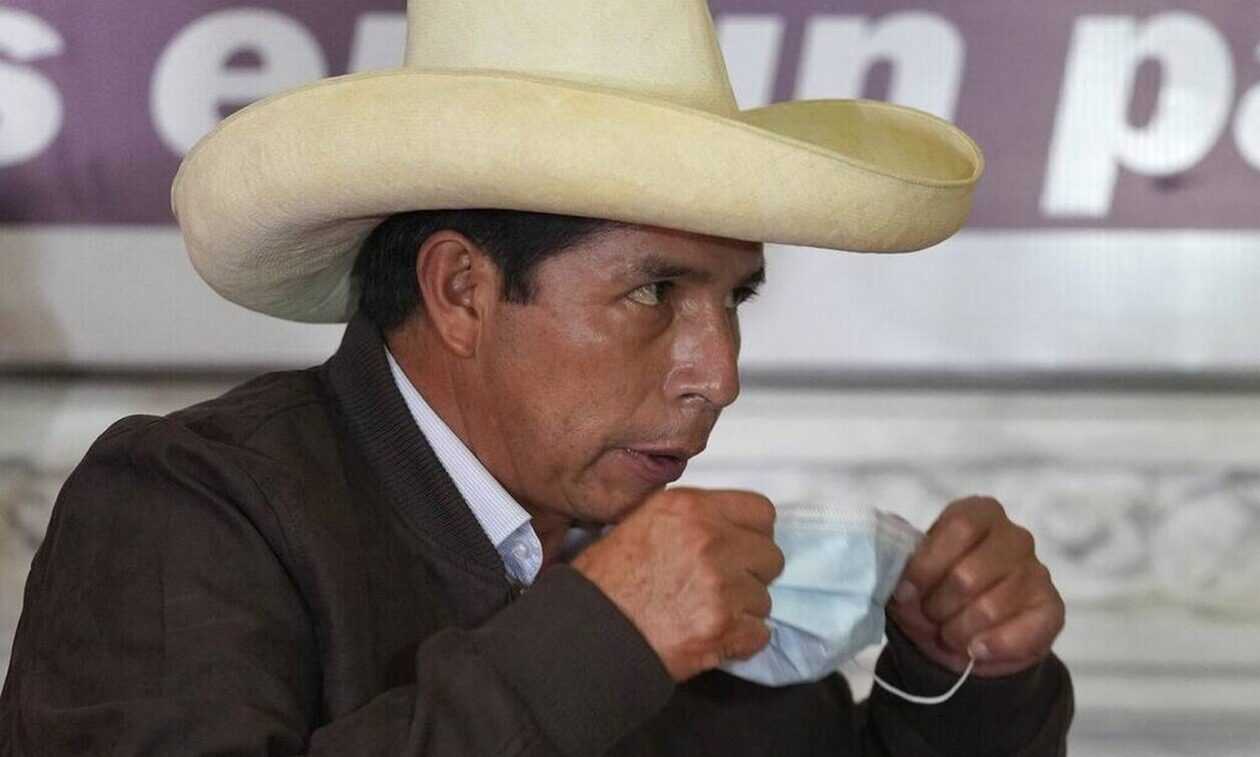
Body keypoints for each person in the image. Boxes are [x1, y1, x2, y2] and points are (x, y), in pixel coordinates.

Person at [1, 1, 1072, 754]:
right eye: (656, 290)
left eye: (734, 300)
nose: (718, 374)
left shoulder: (653, 552)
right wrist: (602, 641)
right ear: (461, 290)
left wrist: (957, 674)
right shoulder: (188, 507)